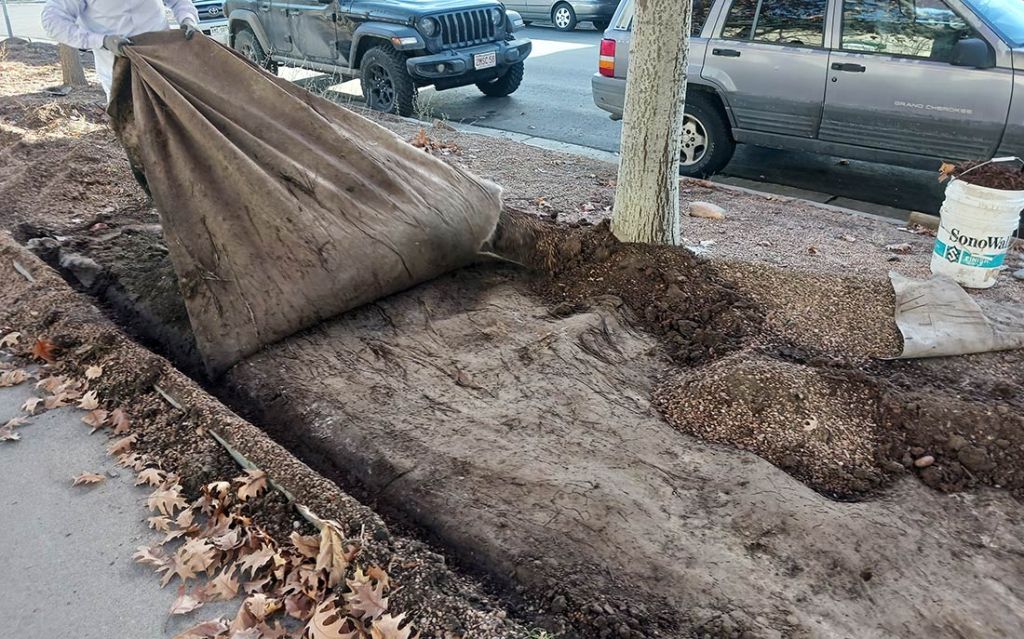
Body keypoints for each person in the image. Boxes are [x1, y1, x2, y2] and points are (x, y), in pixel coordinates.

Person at [41, 0, 200, 103]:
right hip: (120, 74)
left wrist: (187, 19)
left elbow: (180, 2)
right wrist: (102, 40)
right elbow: (52, 21)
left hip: (164, 65)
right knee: (138, 133)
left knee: (180, 126)